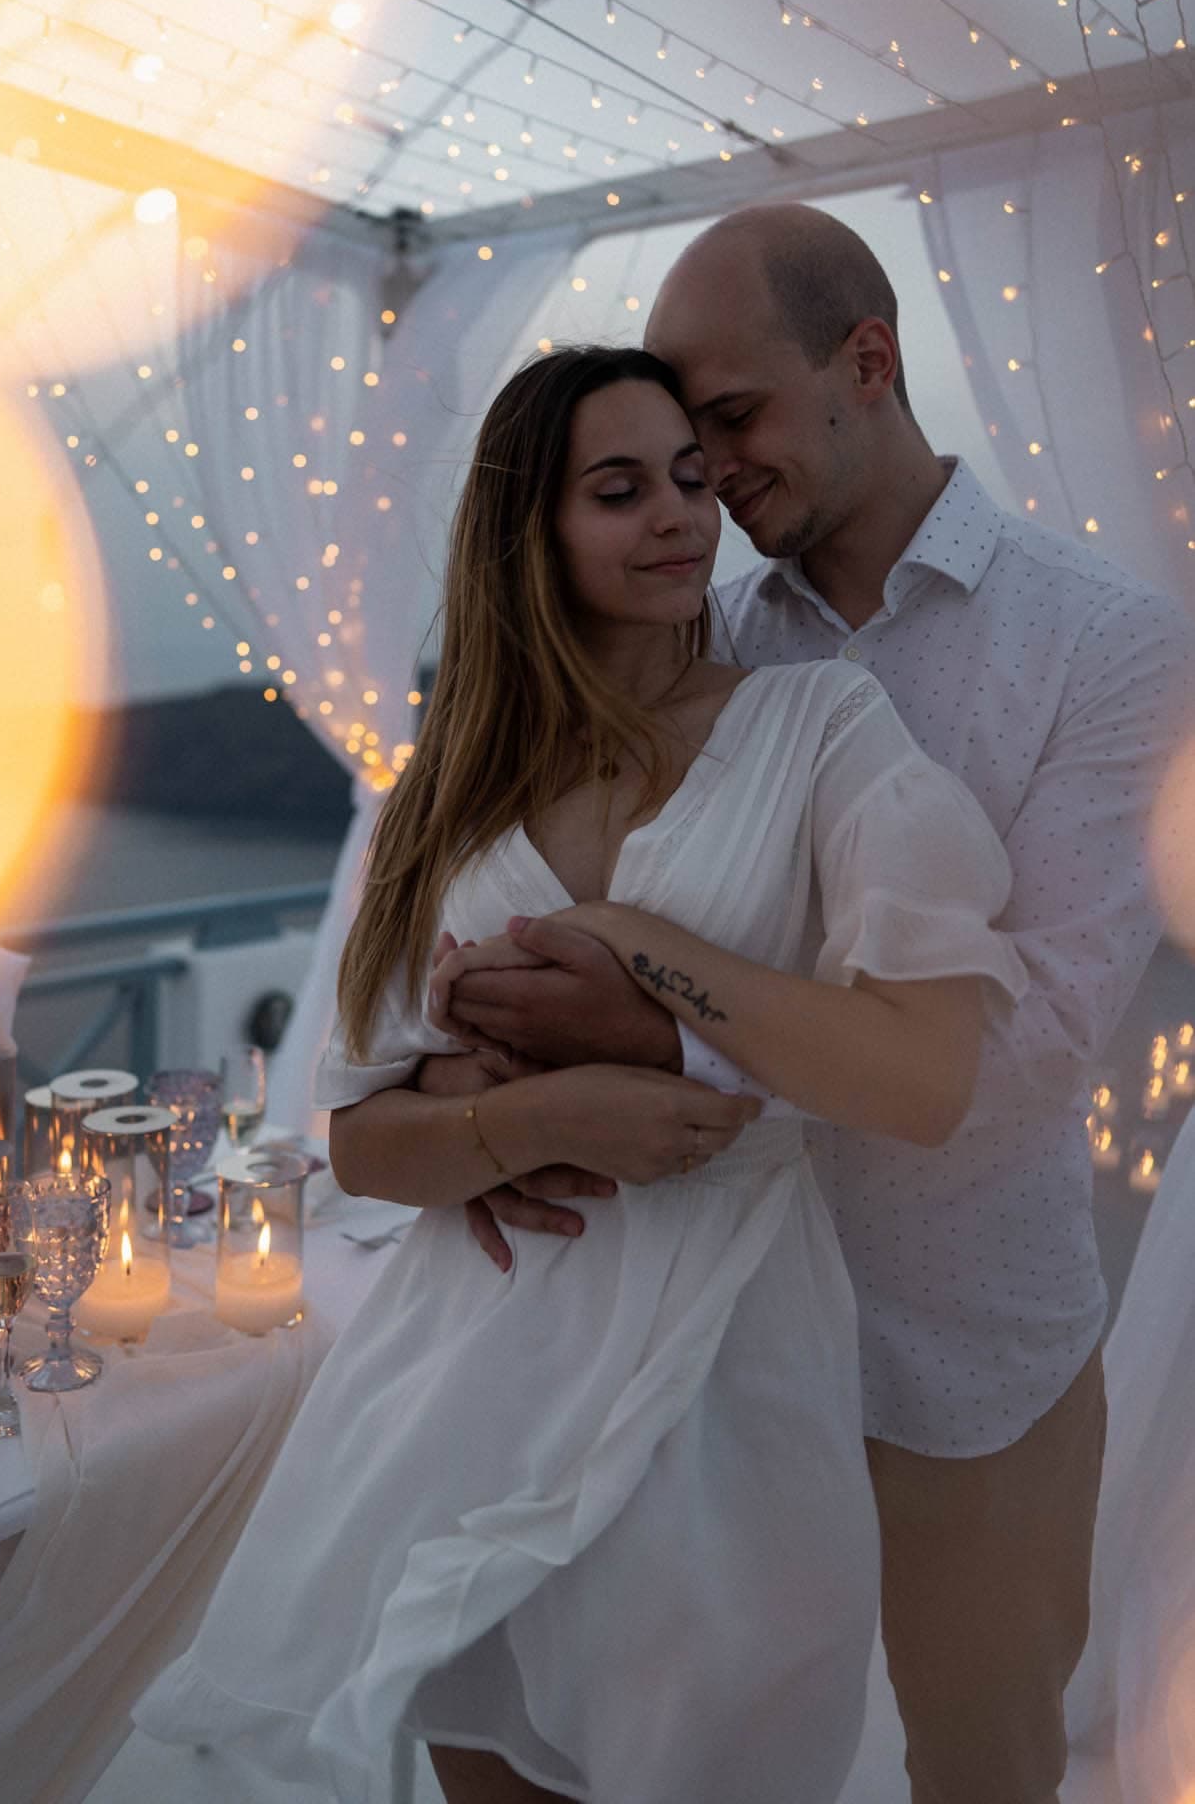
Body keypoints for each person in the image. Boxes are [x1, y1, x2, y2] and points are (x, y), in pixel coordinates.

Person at [135, 343, 1026, 1804]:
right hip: (465, 1369)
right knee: (481, 1751)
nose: (681, 515)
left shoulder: (818, 731)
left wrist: (639, 952)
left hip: (721, 1371)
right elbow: (361, 1139)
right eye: (621, 490)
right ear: (528, 532)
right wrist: (527, 1118)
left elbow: (924, 1083)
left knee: (722, 1748)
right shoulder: (448, 791)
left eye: (691, 478)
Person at [433, 203, 1194, 1804]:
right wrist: (486, 1112)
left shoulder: (1112, 644)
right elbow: (528, 894)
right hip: (689, 1356)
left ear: (869, 362)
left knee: (980, 1770)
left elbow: (1030, 1046)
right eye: (671, 448)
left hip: (960, 1359)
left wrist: (645, 1046)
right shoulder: (688, 626)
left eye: (731, 419)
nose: (702, 476)